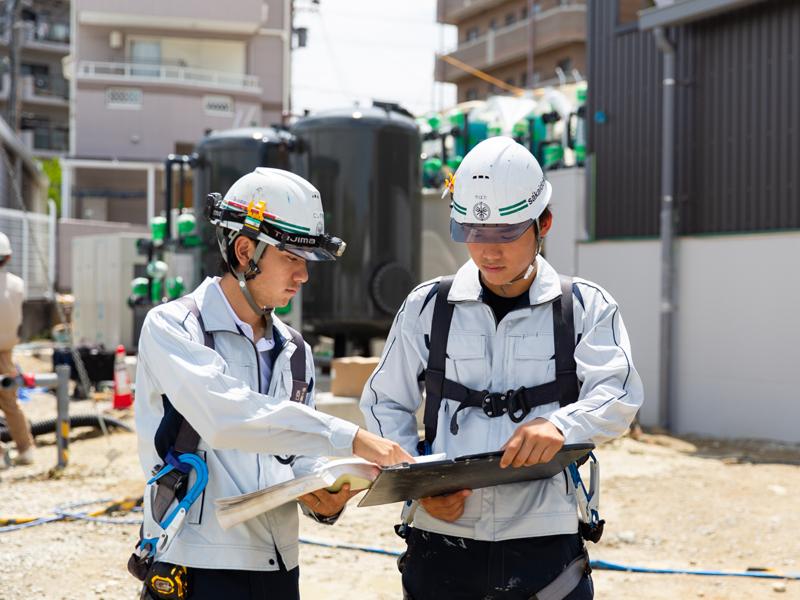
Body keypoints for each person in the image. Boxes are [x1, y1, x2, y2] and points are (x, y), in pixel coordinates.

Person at [360, 137, 643, 599]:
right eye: (473, 232)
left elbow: (619, 395)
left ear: (543, 223)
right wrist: (420, 481)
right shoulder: (428, 306)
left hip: (544, 544)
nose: (488, 251)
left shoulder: (585, 306)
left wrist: (558, 423)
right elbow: (382, 401)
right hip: (442, 538)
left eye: (505, 234)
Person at [134, 168, 412, 600]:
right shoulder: (174, 327)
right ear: (245, 251)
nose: (303, 276)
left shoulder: (295, 349)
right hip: (197, 562)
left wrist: (325, 492)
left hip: (278, 567)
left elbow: (292, 454)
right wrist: (351, 437)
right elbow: (227, 417)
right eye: (292, 259)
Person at [0, 232, 34, 468]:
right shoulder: (18, 284)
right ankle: (26, 449)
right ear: (8, 257)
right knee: (11, 403)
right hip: (7, 352)